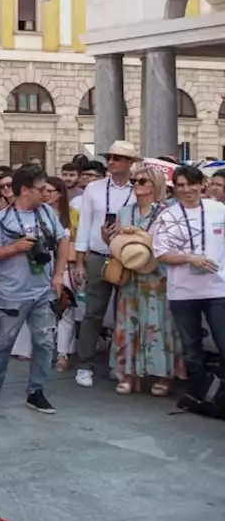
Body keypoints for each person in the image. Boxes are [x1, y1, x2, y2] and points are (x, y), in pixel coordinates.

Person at [0, 165, 68, 415]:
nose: (45, 194)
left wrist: (58, 274)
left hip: (43, 290)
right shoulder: (1, 219)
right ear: (25, 190)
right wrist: (15, 248)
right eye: (40, 189)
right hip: (12, 291)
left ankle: (36, 391)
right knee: (3, 342)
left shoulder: (48, 213)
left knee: (45, 342)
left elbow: (62, 242)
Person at [103, 164, 183, 396]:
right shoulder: (125, 211)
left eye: (141, 181)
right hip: (130, 275)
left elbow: (171, 243)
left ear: (154, 186)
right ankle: (129, 373)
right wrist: (109, 238)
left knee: (158, 324)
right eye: (134, 181)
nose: (135, 185)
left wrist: (140, 236)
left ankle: (163, 374)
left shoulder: (167, 211)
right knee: (128, 324)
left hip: (157, 276)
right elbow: (117, 243)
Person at [72, 140, 138, 388]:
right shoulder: (94, 188)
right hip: (98, 255)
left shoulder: (138, 188)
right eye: (109, 157)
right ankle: (85, 364)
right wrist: (80, 261)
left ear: (130, 163)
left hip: (128, 258)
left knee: (126, 314)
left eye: (117, 158)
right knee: (92, 313)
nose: (111, 162)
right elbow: (85, 226)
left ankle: (120, 364)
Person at [154, 165, 225, 390]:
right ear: (174, 188)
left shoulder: (218, 209)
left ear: (201, 185)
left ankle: (219, 392)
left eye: (191, 184)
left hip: (218, 289)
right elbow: (161, 254)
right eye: (181, 186)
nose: (187, 190)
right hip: (183, 292)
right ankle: (199, 392)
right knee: (191, 347)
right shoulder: (166, 216)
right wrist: (188, 258)